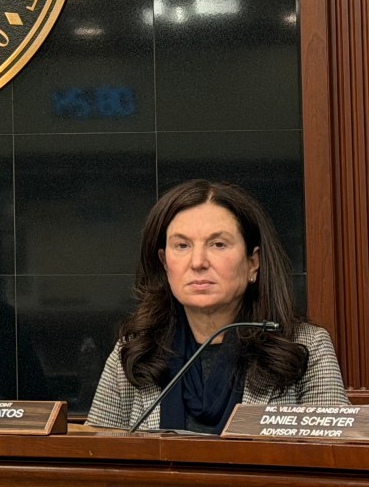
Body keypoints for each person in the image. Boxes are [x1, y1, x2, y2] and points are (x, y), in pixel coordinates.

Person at [88, 180, 346, 432]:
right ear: (165, 263)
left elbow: (332, 460)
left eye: (218, 244)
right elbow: (94, 457)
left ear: (253, 263)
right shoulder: (135, 350)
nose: (198, 262)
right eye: (182, 246)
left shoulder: (306, 347)